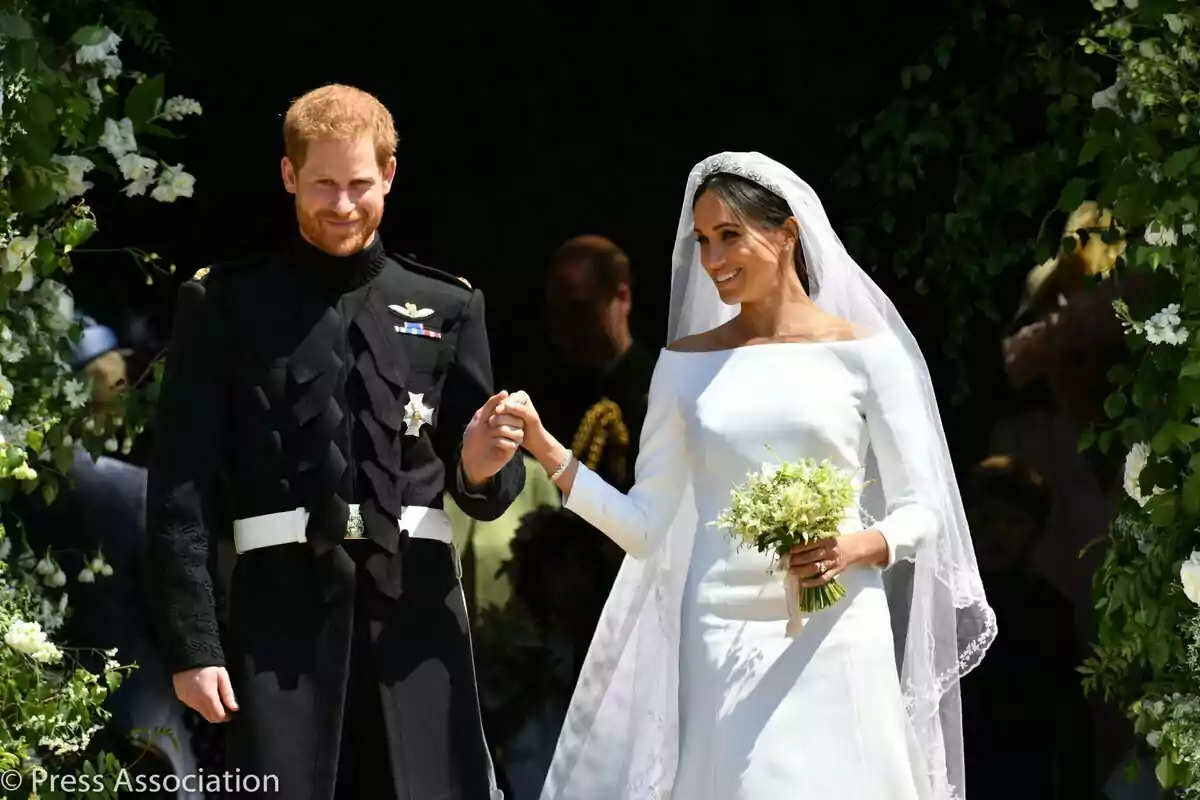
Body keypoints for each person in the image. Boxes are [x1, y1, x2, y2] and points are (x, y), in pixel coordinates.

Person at [498, 152, 995, 799]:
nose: (713, 259)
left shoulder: (868, 355)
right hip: (721, 630)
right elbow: (645, 527)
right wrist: (551, 453)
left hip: (839, 625)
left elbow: (923, 506)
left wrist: (857, 547)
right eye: (703, 241)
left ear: (787, 232)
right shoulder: (683, 366)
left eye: (730, 236)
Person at [146, 83, 526, 800]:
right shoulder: (224, 305)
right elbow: (180, 489)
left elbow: (489, 486)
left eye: (360, 184)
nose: (343, 205)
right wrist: (193, 646)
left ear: (388, 175)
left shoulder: (451, 304)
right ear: (289, 176)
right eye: (323, 184)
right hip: (278, 627)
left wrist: (479, 468)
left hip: (420, 628)